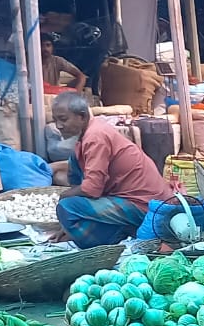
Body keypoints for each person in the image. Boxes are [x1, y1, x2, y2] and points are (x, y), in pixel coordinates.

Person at [50, 92, 176, 247]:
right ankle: (117, 231)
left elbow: (92, 189)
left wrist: (63, 196)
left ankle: (109, 239)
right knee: (74, 166)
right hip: (136, 200)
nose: (58, 126)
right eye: (55, 120)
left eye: (63, 119)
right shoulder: (89, 133)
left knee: (67, 206)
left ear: (82, 117)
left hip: (146, 206)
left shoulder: (95, 136)